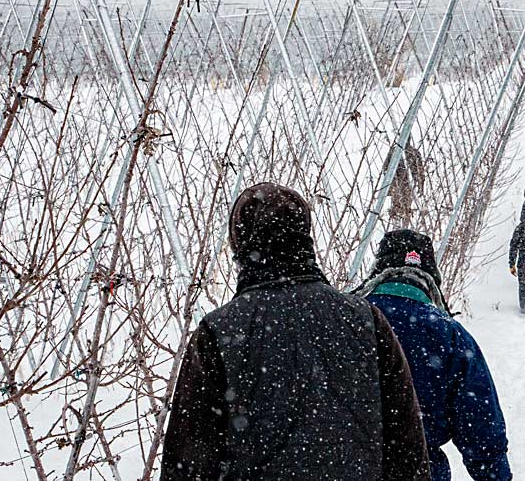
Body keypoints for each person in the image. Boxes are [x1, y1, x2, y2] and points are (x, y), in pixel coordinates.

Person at [161, 183, 431, 481]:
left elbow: (188, 463)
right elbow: (407, 450)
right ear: (305, 237)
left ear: (238, 242)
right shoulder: (366, 320)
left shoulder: (219, 333)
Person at [356, 229, 512, 481]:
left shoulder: (344, 322)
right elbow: (480, 423)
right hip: (419, 469)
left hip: (344, 464)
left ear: (376, 271)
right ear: (431, 279)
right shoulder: (451, 336)